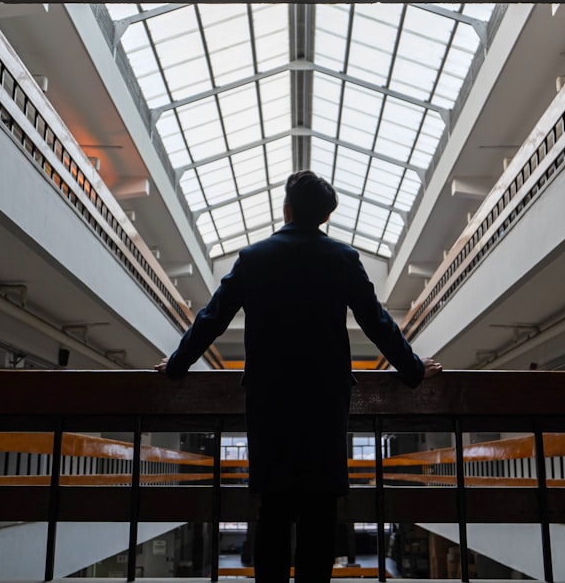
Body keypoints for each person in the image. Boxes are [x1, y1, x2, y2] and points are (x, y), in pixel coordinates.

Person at [156, 170, 442, 582]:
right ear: (324, 217)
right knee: (319, 510)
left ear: (287, 208)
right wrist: (414, 370)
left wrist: (177, 365)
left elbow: (212, 319)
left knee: (272, 508)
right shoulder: (344, 259)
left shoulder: (254, 258)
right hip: (325, 400)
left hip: (270, 399)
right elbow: (377, 323)